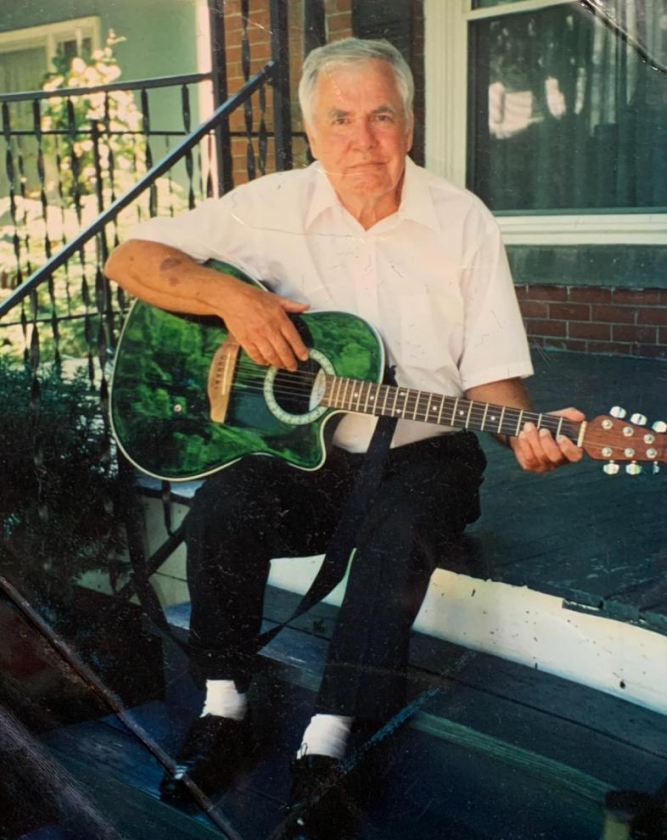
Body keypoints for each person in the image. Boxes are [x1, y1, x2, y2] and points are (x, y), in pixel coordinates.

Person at [105, 37, 584, 839]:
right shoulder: (265, 208)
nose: (363, 140)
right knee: (223, 504)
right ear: (310, 129)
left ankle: (327, 741)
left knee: (400, 529)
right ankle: (223, 706)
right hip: (311, 455)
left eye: (381, 116)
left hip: (425, 452)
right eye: (340, 119)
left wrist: (528, 433)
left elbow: (492, 378)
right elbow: (130, 259)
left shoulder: (461, 221)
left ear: (410, 123)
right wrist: (232, 299)